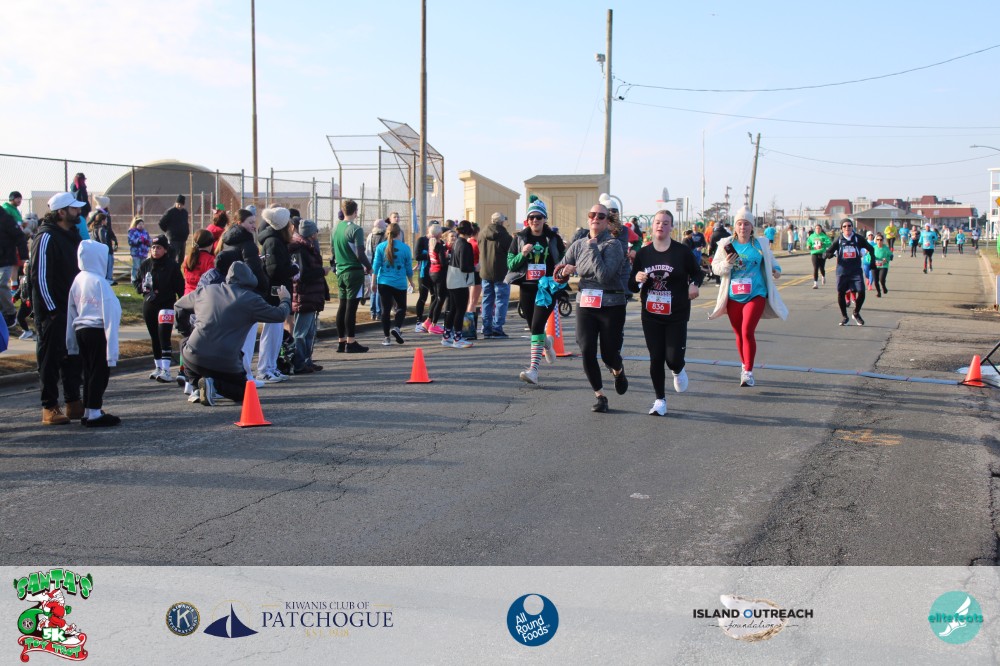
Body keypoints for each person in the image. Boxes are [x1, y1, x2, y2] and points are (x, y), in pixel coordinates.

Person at [174, 262, 292, 406]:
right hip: (226, 361)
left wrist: (187, 330)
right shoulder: (251, 299)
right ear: (251, 280)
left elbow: (179, 306)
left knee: (185, 343)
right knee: (243, 392)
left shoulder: (206, 290)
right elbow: (279, 315)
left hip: (195, 355)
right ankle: (213, 385)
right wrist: (285, 299)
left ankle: (196, 386)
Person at [629, 209, 702, 415]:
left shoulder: (682, 251)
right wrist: (637, 279)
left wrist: (694, 284)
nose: (661, 225)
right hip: (651, 314)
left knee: (673, 358)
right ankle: (659, 400)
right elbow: (632, 286)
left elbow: (697, 272)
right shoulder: (643, 254)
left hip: (676, 313)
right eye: (658, 222)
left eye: (665, 223)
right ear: (652, 226)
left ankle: (678, 369)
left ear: (671, 227)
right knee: (656, 357)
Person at [558, 203, 628, 412]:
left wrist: (592, 249)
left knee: (609, 354)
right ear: (588, 218)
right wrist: (563, 272)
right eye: (592, 214)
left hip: (611, 304)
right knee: (586, 349)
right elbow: (560, 268)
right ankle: (600, 396)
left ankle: (618, 370)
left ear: (607, 221)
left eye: (601, 215)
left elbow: (604, 276)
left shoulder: (613, 245)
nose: (595, 218)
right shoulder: (578, 244)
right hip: (586, 303)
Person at [709, 206, 787, 386]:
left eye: (746, 224)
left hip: (755, 294)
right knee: (738, 333)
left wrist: (776, 270)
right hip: (734, 296)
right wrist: (727, 264)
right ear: (735, 226)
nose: (743, 227)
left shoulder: (761, 244)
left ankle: (748, 372)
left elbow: (773, 262)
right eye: (739, 224)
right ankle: (744, 365)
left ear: (752, 227)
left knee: (747, 331)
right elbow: (716, 268)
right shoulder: (726, 244)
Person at [30, 193, 85, 425]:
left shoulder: (72, 235)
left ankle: (73, 401)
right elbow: (39, 277)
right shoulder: (46, 237)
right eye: (74, 208)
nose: (78, 212)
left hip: (72, 308)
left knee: (73, 356)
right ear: (61, 212)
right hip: (52, 312)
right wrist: (52, 310)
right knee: (50, 359)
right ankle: (50, 406)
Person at [65, 240, 122, 427]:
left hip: (81, 329)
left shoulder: (78, 279)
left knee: (89, 371)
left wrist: (71, 343)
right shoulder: (99, 282)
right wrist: (112, 350)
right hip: (98, 330)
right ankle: (95, 413)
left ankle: (89, 410)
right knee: (100, 372)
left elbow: (71, 310)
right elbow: (111, 312)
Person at [506, 198, 561, 383]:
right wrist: (523, 254)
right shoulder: (519, 238)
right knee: (533, 328)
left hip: (547, 289)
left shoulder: (553, 239)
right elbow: (510, 264)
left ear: (544, 219)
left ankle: (533, 371)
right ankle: (547, 343)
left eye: (538, 217)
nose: (534, 220)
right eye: (531, 217)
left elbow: (563, 261)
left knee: (537, 326)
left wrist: (559, 276)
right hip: (527, 289)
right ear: (527, 220)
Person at [134, 235, 184, 382]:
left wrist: (182, 304)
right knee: (154, 336)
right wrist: (142, 288)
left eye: (159, 247)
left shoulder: (172, 265)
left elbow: (180, 287)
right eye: (153, 247)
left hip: (166, 304)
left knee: (164, 335)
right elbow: (136, 282)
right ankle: (158, 367)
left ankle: (166, 370)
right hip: (150, 304)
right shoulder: (146, 264)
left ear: (165, 249)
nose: (155, 250)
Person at [256, 206, 298, 382]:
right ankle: (265, 368)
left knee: (276, 331)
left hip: (279, 290)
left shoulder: (277, 241)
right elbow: (274, 270)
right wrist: (293, 269)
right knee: (271, 331)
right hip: (274, 292)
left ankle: (272, 366)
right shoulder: (273, 242)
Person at [330, 199, 372, 353]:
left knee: (342, 306)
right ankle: (351, 342)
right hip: (353, 271)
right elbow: (360, 253)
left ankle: (341, 341)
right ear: (355, 212)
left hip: (340, 271)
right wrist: (369, 267)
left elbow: (333, 251)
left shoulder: (335, 228)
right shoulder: (356, 229)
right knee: (351, 307)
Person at [288, 219, 328, 374]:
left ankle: (307, 360)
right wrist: (322, 271)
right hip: (304, 295)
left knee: (310, 332)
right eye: (316, 231)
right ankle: (299, 362)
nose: (317, 233)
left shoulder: (308, 247)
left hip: (310, 295)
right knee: (301, 332)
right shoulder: (300, 250)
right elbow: (302, 275)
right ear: (311, 234)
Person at [824, 217, 874, 326]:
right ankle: (845, 317)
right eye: (844, 226)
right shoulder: (838, 240)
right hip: (842, 271)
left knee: (861, 291)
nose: (847, 228)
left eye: (849, 226)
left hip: (856, 271)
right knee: (841, 293)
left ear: (852, 227)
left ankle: (856, 313)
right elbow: (829, 251)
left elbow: (871, 248)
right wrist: (827, 255)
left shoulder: (858, 238)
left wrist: (873, 263)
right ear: (841, 228)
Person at [372, 221, 414, 346]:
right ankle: (396, 328)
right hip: (399, 283)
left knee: (385, 310)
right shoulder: (405, 248)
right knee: (401, 307)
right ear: (399, 233)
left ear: (387, 233)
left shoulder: (380, 247)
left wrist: (373, 282)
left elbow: (376, 266)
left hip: (384, 282)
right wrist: (411, 282)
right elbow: (408, 268)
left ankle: (386, 338)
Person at [442, 220, 476, 348]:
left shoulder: (456, 242)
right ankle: (458, 338)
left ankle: (447, 336)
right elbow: (464, 266)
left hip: (451, 278)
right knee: (460, 310)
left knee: (452, 309)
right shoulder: (465, 245)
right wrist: (475, 268)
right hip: (460, 280)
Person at [479, 213, 513, 339]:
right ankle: (497, 327)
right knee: (501, 300)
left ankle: (486, 328)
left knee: (487, 300)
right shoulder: (505, 236)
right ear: (502, 222)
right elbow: (511, 253)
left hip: (485, 271)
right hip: (501, 272)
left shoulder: (482, 234)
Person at [0, 199, 28, 328]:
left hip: (6, 259)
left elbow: (20, 236)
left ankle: (10, 314)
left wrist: (24, 257)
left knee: (1, 284)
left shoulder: (6, 219)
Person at [422, 223, 448, 334]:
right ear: (438, 233)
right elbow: (443, 262)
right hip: (439, 273)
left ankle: (428, 321)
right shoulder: (439, 245)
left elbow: (430, 258)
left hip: (432, 271)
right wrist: (447, 258)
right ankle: (434, 324)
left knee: (436, 298)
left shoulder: (430, 244)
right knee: (440, 298)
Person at [413, 223, 435, 333]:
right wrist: (430, 254)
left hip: (435, 274)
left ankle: (430, 321)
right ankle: (418, 321)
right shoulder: (421, 240)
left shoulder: (438, 241)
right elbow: (416, 256)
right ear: (428, 229)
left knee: (435, 297)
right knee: (423, 297)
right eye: (433, 229)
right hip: (424, 273)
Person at [365, 218, 387, 321]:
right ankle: (378, 312)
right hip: (381, 265)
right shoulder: (385, 237)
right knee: (378, 289)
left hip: (371, 265)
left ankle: (372, 312)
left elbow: (367, 251)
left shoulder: (370, 236)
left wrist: (367, 266)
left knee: (372, 289)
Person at [158, 194, 190, 264]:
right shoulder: (170, 212)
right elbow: (161, 223)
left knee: (181, 258)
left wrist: (187, 232)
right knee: (172, 256)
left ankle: (178, 269)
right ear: (176, 203)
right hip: (173, 239)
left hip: (182, 239)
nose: (180, 206)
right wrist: (169, 231)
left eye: (181, 205)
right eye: (178, 204)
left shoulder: (185, 213)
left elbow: (186, 223)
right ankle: (170, 268)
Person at [183, 230, 216, 294]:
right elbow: (211, 280)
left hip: (188, 294)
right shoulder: (210, 259)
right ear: (211, 244)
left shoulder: (188, 258)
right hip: (202, 294)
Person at [806, 223, 831, 288]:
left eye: (819, 228)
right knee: (815, 268)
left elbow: (829, 243)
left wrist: (823, 243)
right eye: (816, 228)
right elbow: (808, 242)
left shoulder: (824, 236)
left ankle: (823, 276)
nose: (818, 229)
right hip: (814, 253)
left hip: (822, 253)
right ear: (815, 229)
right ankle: (815, 283)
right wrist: (808, 246)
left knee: (822, 267)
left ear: (821, 229)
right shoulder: (812, 236)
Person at [127, 217, 151, 283]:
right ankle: (134, 280)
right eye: (139, 224)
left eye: (142, 224)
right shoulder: (132, 231)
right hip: (136, 253)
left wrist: (148, 242)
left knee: (143, 267)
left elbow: (149, 240)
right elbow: (131, 241)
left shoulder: (145, 232)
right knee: (136, 267)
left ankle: (141, 280)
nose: (141, 225)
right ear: (136, 224)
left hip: (144, 253)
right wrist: (139, 240)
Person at [870, 233, 893, 297]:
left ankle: (883, 287)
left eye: (881, 240)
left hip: (883, 266)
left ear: (883, 240)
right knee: (875, 281)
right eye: (878, 240)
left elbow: (891, 256)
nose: (879, 241)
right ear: (876, 240)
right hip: (874, 266)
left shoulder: (886, 248)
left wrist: (887, 259)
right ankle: (878, 293)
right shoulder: (873, 248)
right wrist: (872, 260)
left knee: (881, 279)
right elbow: (868, 257)